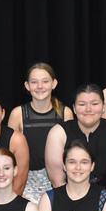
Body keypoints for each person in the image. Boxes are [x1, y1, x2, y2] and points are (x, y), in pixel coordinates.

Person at [45, 84, 106, 198]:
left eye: (94, 104)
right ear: (74, 108)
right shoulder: (58, 132)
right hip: (68, 201)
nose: (88, 109)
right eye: (82, 104)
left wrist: (101, 208)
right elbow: (58, 181)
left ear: (103, 107)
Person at [8, 62, 73, 203]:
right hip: (25, 181)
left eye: (45, 81)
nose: (40, 86)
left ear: (54, 83)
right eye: (34, 82)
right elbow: (9, 154)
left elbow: (71, 151)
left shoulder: (65, 113)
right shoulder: (17, 114)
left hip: (58, 180)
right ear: (27, 86)